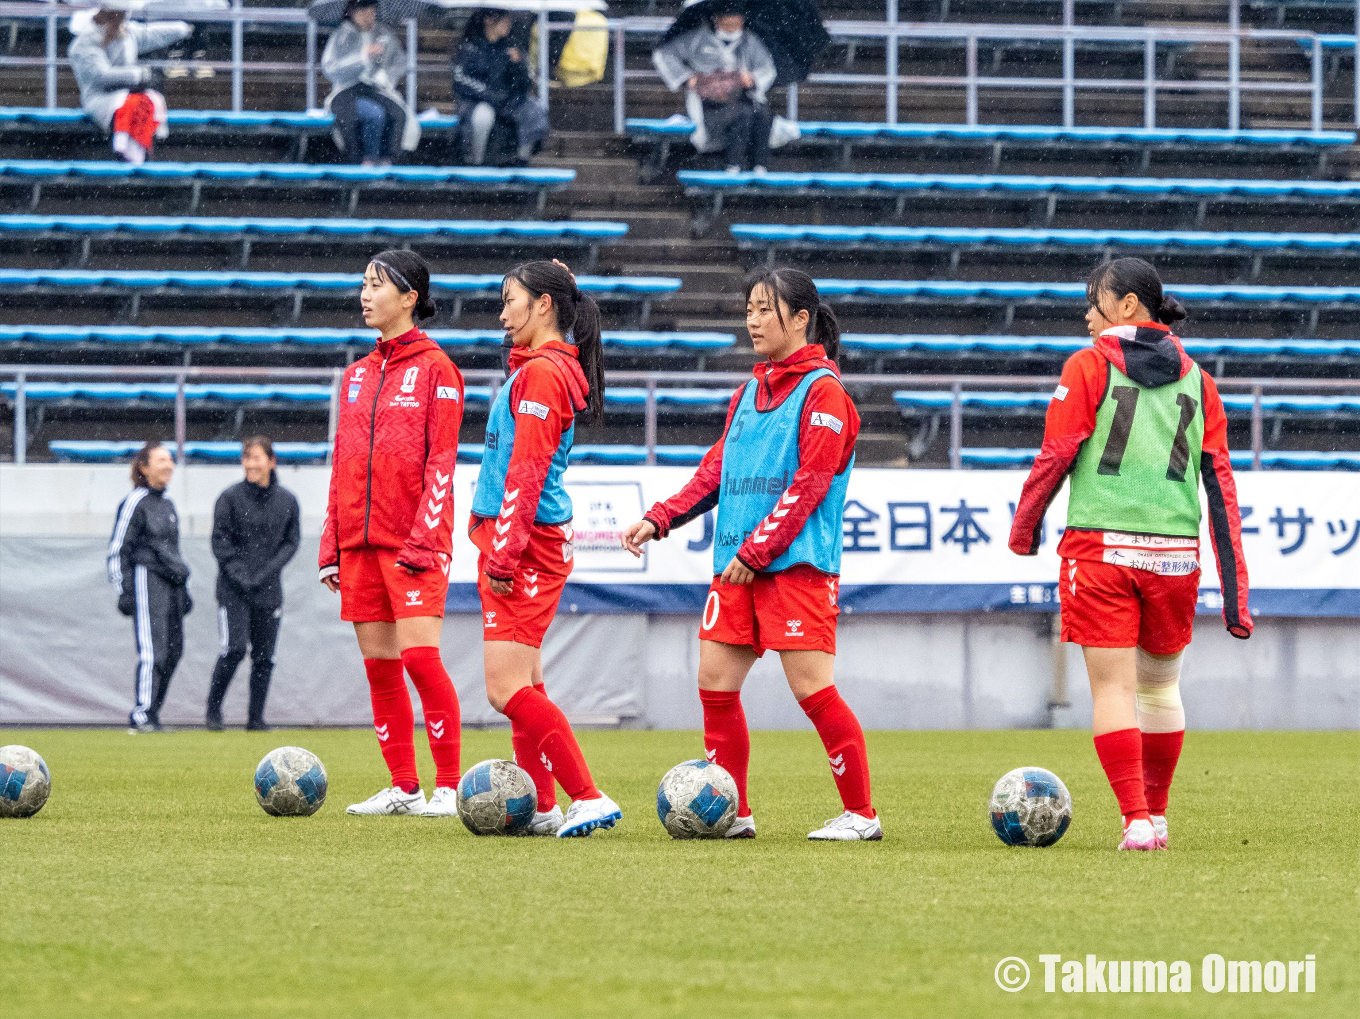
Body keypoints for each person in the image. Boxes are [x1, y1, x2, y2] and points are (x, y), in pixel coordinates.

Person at [621, 268, 880, 841]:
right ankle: (733, 814)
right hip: (737, 568)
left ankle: (862, 815)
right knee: (714, 683)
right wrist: (660, 517)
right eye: (749, 310)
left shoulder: (825, 392)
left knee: (813, 690)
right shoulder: (748, 392)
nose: (753, 321)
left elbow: (810, 483)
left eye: (765, 310)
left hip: (794, 567)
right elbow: (715, 472)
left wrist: (759, 550)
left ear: (801, 319)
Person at [1009, 257, 1252, 852]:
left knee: (1114, 691)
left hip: (1101, 549)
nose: (1087, 315)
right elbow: (1220, 487)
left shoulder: (1088, 365)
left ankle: (1135, 820)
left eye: (1095, 301)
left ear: (1127, 306)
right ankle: (1157, 817)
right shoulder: (1200, 380)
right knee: (1161, 690)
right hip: (1175, 556)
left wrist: (1025, 530)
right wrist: (1236, 596)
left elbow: (1056, 452)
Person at [470, 259, 621, 838]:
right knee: (525, 683)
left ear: (543, 306)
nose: (501, 314)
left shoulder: (541, 374)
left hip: (526, 543)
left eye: (510, 300)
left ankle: (588, 796)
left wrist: (504, 553)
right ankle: (542, 804)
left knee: (505, 688)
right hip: (528, 539)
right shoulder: (542, 368)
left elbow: (527, 470)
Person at [319, 249, 465, 816]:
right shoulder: (355, 375)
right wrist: (331, 545)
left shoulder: (438, 370)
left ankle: (448, 787)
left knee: (420, 660)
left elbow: (442, 464)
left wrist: (424, 539)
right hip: (359, 545)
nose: (364, 294)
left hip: (414, 544)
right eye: (363, 284)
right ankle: (405, 787)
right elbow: (342, 463)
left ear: (409, 297)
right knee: (380, 669)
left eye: (376, 285)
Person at [205, 436, 301, 732]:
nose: (250, 464)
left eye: (256, 457)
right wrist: (242, 576)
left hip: (268, 591)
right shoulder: (229, 498)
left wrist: (264, 574)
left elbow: (291, 542)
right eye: (246, 458)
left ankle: (255, 719)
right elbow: (220, 542)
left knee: (264, 657)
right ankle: (213, 712)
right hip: (233, 591)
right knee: (234, 649)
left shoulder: (287, 501)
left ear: (271, 461)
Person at [107, 442, 192, 733]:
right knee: (153, 651)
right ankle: (141, 715)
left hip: (171, 585)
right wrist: (124, 590)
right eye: (161, 460)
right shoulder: (135, 502)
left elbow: (173, 551)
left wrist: (183, 587)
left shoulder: (167, 505)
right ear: (144, 468)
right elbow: (118, 549)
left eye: (170, 460)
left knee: (173, 651)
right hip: (147, 581)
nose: (169, 465)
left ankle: (153, 712)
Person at [652, 1, 777, 173]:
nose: (732, 29)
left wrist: (753, 79)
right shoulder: (696, 38)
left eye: (736, 24)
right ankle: (732, 164)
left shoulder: (749, 40)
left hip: (740, 97)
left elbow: (767, 68)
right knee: (741, 115)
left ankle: (760, 165)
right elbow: (663, 54)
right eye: (727, 24)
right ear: (716, 19)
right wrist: (686, 78)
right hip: (710, 104)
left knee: (761, 113)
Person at [68, 6, 192, 164]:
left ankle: (140, 160)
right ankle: (123, 157)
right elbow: (100, 76)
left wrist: (183, 29)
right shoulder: (84, 42)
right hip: (100, 100)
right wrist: (138, 74)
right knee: (131, 106)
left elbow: (152, 34)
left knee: (149, 102)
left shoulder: (127, 32)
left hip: (129, 97)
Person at [321, 0, 420, 166]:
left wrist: (385, 75)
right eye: (364, 13)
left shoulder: (383, 34)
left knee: (397, 113)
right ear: (353, 12)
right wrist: (361, 57)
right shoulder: (342, 35)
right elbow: (331, 67)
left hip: (374, 90)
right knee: (374, 114)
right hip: (347, 91)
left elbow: (399, 61)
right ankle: (368, 159)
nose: (369, 17)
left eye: (372, 12)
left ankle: (389, 159)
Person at [451, 9, 549, 166]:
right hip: (475, 102)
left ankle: (522, 159)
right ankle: (476, 162)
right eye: (504, 20)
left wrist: (518, 65)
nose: (508, 24)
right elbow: (461, 80)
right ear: (489, 20)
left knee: (533, 110)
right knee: (483, 116)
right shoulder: (470, 48)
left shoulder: (511, 49)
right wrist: (490, 94)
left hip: (506, 102)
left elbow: (525, 84)